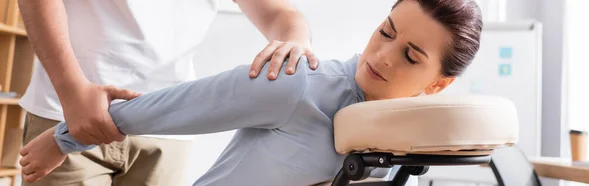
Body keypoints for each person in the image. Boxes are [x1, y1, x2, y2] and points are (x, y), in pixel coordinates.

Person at [19, 0, 483, 185]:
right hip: (82, 106)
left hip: (160, 143)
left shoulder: (399, 135)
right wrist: (64, 136)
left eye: (411, 56)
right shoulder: (300, 83)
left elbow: (281, 13)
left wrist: (295, 36)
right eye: (385, 32)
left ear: (439, 84)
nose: (382, 57)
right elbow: (190, 103)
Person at [17, 0, 318, 185]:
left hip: (169, 130)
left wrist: (295, 40)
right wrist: (71, 93)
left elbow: (279, 11)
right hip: (67, 109)